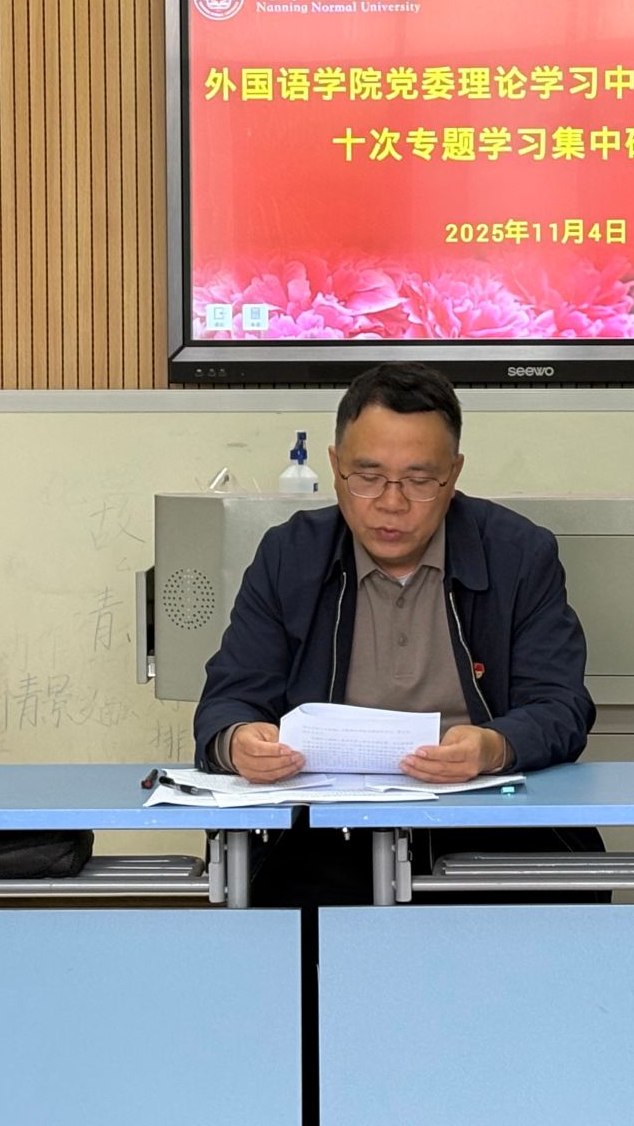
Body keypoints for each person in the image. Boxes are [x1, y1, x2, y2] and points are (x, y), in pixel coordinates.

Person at [193, 360, 595, 903]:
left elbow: (561, 706)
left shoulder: (519, 554)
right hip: (325, 825)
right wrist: (238, 740)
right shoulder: (290, 555)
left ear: (453, 474)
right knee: (285, 916)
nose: (391, 502)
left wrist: (495, 746)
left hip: (484, 812)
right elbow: (228, 699)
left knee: (554, 906)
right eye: (368, 476)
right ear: (335, 467)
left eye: (419, 480)